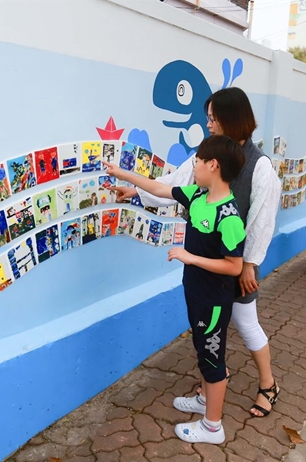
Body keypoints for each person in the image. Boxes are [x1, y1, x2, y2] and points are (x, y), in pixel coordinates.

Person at [111, 87, 281, 418]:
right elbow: (173, 186)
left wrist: (250, 265)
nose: (208, 124)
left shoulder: (260, 166)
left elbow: (263, 220)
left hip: (235, 263)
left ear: (232, 119)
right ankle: (209, 389)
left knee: (246, 323)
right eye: (208, 118)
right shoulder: (206, 154)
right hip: (207, 263)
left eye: (213, 118)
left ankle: (268, 384)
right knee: (208, 331)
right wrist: (135, 191)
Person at [103, 135, 246, 444]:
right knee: (201, 347)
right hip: (196, 292)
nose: (192, 166)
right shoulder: (197, 196)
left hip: (214, 300)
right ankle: (205, 401)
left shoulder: (229, 216)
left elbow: (234, 266)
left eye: (196, 161)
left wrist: (190, 257)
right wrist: (121, 173)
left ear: (213, 165)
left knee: (212, 358)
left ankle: (212, 427)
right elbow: (158, 189)